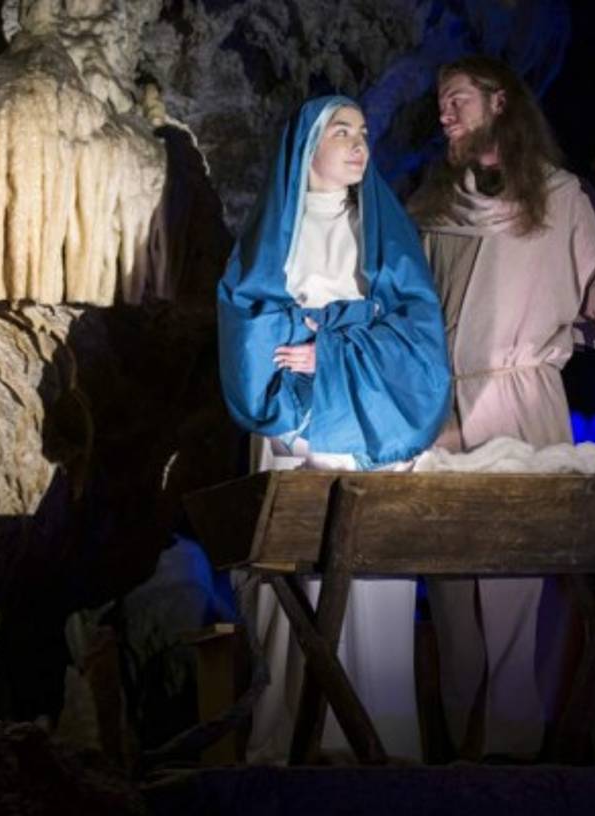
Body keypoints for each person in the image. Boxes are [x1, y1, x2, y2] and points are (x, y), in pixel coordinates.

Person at [409, 55, 595, 758]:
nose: (444, 114)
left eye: (458, 99)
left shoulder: (559, 200)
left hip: (520, 406)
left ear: (499, 102)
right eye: (441, 103)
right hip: (443, 418)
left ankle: (516, 755)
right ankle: (464, 758)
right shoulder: (434, 208)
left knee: (518, 584)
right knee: (454, 595)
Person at [217, 95, 451, 762]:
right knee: (293, 578)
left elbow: (416, 333)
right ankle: (292, 740)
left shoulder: (382, 231)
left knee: (368, 590)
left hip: (365, 428)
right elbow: (248, 317)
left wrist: (332, 348)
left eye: (363, 132)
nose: (358, 144)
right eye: (340, 131)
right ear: (307, 147)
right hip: (291, 426)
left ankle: (374, 739)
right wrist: (306, 341)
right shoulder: (273, 234)